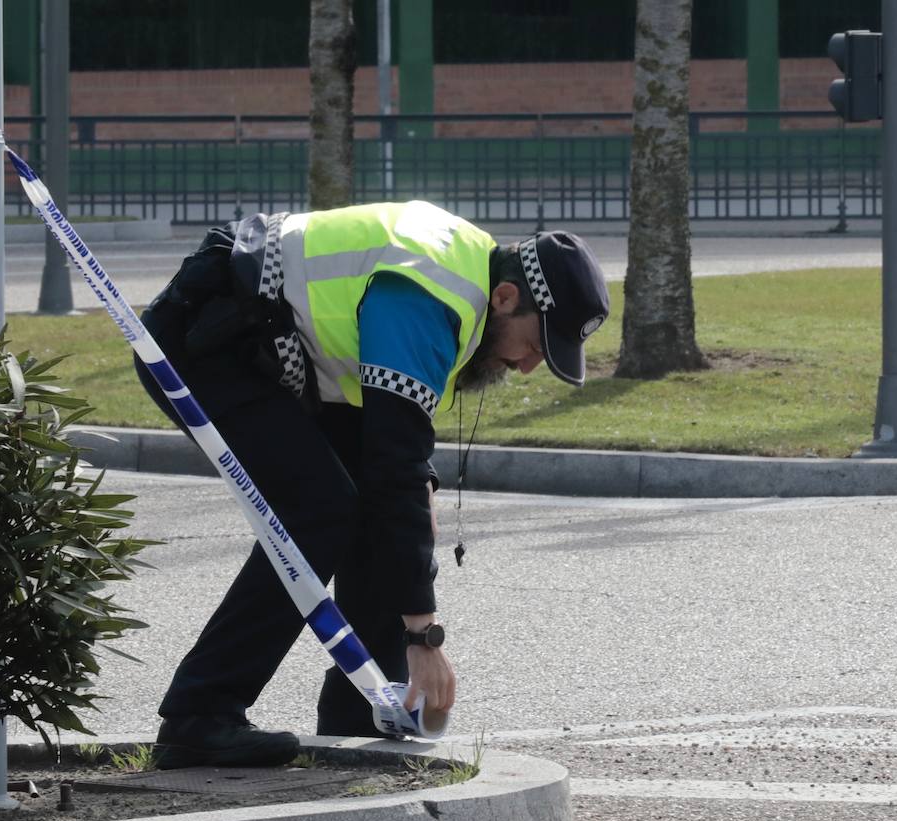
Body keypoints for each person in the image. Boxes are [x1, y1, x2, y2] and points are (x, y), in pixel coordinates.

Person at [133, 201, 610, 769]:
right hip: (206, 340)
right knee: (320, 511)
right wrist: (422, 636)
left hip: (273, 348)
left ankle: (360, 713)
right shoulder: (430, 298)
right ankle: (199, 715)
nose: (528, 366)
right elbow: (392, 466)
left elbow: (395, 455)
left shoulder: (466, 279)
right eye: (536, 344)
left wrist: (420, 489)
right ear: (506, 297)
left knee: (386, 511)